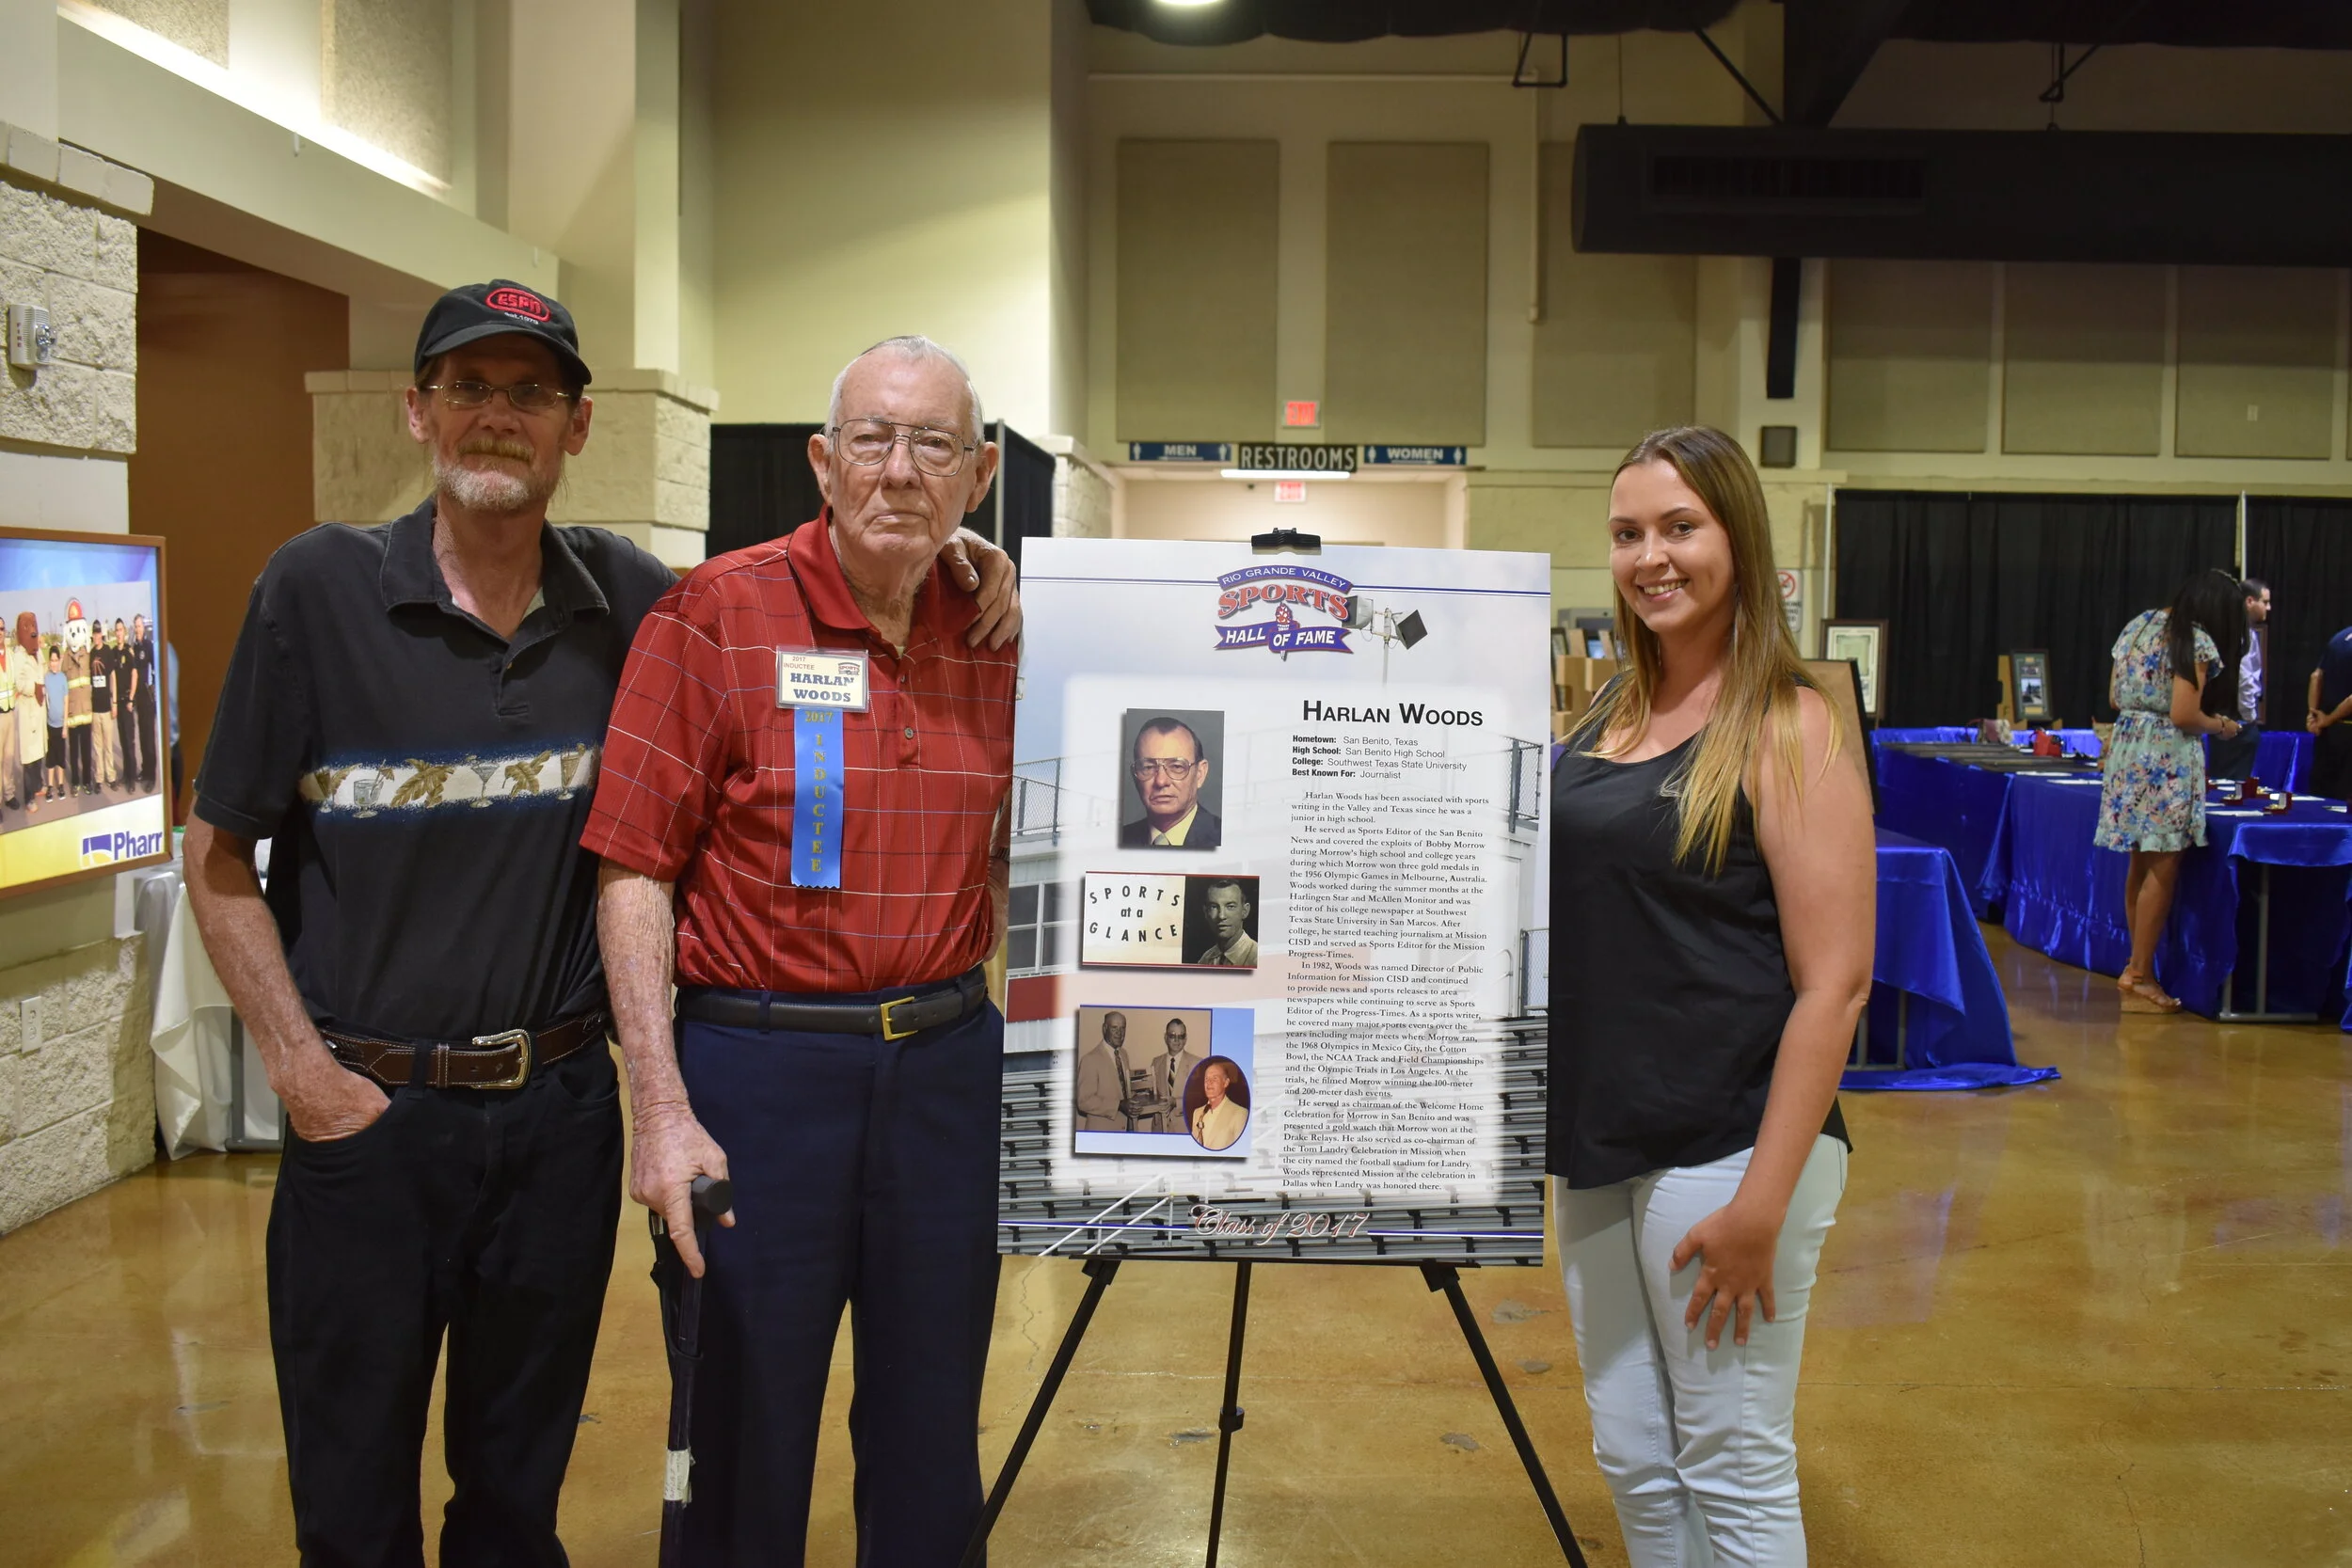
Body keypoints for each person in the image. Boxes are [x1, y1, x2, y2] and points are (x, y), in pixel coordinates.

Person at [182, 283, 1029, 1565]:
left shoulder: (633, 597)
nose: (898, 469)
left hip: (575, 1112)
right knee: (361, 1495)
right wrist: (303, 1072)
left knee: (525, 1486)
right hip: (400, 1107)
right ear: (417, 410)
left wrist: (974, 555)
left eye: (530, 393)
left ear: (576, 426)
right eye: (470, 388)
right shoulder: (339, 590)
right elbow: (623, 863)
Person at [588, 334, 1021, 1565]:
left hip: (945, 1073)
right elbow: (631, 868)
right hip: (756, 1078)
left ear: (979, 473)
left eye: (932, 443)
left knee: (933, 1428)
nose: (900, 470)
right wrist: (658, 1107)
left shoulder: (998, 635)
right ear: (824, 464)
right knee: (742, 1428)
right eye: (872, 440)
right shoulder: (715, 615)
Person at [1550, 426, 1870, 1567]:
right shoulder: (1602, 716)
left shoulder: (1788, 723)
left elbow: (1835, 983)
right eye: (1627, 532)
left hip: (1726, 1146)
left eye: (1679, 527)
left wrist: (1761, 1201)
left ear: (1737, 537)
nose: (1650, 557)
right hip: (1599, 1135)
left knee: (1730, 1462)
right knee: (1633, 1452)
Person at [2095, 568, 2248, 1014]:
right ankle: (2141, 974)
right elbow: (2184, 714)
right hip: (2166, 757)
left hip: (2127, 749)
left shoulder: (2139, 624)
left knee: (2139, 863)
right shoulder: (2194, 639)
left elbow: (2115, 697)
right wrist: (2221, 726)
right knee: (2163, 867)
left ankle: (2135, 966)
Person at [1118, 716, 1221, 847]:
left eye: (1176, 767)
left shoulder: (1225, 838)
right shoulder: (1120, 839)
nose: (1161, 781)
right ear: (1135, 775)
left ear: (1200, 774)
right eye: (1148, 767)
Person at [2208, 577, 2268, 781]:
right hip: (2236, 722)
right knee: (2233, 786)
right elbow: (2245, 679)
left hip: (2219, 719)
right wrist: (2248, 718)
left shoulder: (2221, 630)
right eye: (2265, 602)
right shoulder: (2242, 634)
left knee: (2220, 783)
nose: (2268, 608)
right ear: (2250, 601)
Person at [2306, 624, 2352, 800]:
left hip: (2327, 734)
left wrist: (2313, 714)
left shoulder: (2339, 638)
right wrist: (2329, 719)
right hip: (2346, 730)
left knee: (2322, 796)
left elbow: (2316, 676)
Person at [1074, 1009, 1135, 1132]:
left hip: (1126, 1130)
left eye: (1123, 1028)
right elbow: (1083, 1101)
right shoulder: (1090, 1059)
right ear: (1104, 1029)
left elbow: (1122, 1091)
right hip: (1101, 1132)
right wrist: (1118, 1105)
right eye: (1114, 1028)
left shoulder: (1124, 1054)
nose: (1119, 1033)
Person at [1144, 1015, 1204, 1132]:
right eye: (1172, 1036)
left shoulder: (1197, 1063)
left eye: (1181, 1036)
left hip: (1185, 1128)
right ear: (1166, 1037)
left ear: (1185, 1039)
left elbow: (1201, 1098)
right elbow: (1151, 1093)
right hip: (1159, 1128)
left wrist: (1176, 1102)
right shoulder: (1156, 1062)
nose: (1177, 1040)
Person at [14, 614, 43, 814]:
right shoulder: (19, 655)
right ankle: (29, 797)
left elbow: (43, 671)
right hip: (27, 709)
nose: (32, 630)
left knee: (38, 753)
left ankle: (37, 786)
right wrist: (34, 688)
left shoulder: (37, 652)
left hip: (39, 710)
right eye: (27, 626)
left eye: (33, 625)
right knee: (28, 758)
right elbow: (19, 682)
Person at [1192, 879, 1258, 966]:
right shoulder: (1205, 959)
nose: (1221, 916)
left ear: (1244, 911)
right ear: (1206, 912)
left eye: (1230, 906)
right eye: (1214, 907)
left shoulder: (1257, 958)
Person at [1188, 1056, 1248, 1151]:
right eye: (1206, 1079)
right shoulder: (1197, 1113)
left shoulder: (1240, 1114)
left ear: (1226, 1083)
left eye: (1215, 1078)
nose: (1209, 1082)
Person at [89, 616, 120, 789]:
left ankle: (111, 776)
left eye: (98, 633)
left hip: (107, 708)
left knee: (108, 746)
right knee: (98, 746)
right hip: (95, 709)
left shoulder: (107, 651)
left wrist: (114, 702)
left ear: (102, 634)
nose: (96, 636)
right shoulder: (91, 654)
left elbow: (113, 677)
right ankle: (99, 778)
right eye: (94, 634)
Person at [129, 611, 158, 788]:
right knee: (142, 736)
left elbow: (155, 669)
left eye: (139, 626)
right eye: (136, 626)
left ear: (143, 628)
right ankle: (145, 770)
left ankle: (152, 777)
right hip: (138, 698)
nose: (137, 629)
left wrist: (153, 689)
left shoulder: (148, 646)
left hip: (147, 697)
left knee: (149, 739)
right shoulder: (135, 647)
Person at [110, 617, 139, 788]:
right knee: (122, 740)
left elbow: (134, 675)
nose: (119, 633)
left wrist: (131, 699)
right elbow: (113, 677)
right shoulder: (114, 652)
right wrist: (114, 702)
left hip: (127, 702)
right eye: (117, 630)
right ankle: (126, 774)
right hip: (119, 702)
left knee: (129, 742)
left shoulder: (129, 651)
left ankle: (132, 778)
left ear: (125, 632)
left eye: (121, 630)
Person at [43, 647, 66, 802]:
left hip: (61, 725)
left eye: (56, 660)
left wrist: (65, 726)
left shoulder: (63, 678)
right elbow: (45, 701)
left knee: (60, 757)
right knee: (51, 757)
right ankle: (50, 786)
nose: (54, 663)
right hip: (50, 725)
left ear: (59, 661)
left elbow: (66, 701)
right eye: (51, 660)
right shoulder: (46, 678)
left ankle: (61, 785)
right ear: (49, 662)